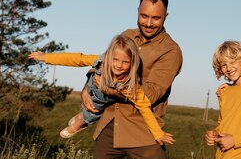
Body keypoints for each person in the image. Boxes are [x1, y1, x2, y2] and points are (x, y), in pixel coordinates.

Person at [65, 0, 182, 159]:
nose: (148, 23)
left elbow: (149, 93)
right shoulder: (126, 35)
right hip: (110, 124)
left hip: (144, 131)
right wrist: (87, 85)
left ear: (166, 16)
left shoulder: (171, 51)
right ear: (137, 11)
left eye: (156, 18)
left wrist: (107, 90)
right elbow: (103, 65)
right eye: (144, 16)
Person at [29, 35, 175, 146]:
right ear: (110, 57)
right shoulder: (102, 62)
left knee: (92, 111)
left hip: (99, 101)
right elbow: (76, 59)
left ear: (132, 64)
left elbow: (145, 108)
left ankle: (82, 121)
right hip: (92, 85)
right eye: (115, 60)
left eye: (125, 62)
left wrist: (158, 134)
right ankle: (82, 114)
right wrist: (46, 57)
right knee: (90, 91)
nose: (118, 65)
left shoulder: (129, 87)